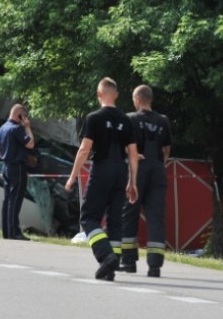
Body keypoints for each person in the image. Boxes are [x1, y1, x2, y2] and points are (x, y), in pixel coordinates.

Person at [65, 77, 139, 281]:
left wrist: (72, 177)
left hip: (102, 168)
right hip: (121, 171)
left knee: (88, 217)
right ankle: (111, 266)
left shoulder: (94, 118)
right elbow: (133, 154)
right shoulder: (126, 120)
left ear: (99, 94)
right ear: (115, 94)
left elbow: (84, 150)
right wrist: (132, 182)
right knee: (115, 220)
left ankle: (105, 255)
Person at [120, 85, 172, 278]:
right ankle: (155, 266)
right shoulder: (163, 121)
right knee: (156, 217)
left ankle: (128, 261)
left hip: (137, 168)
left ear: (139, 100)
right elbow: (167, 151)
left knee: (129, 213)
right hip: (157, 170)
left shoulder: (130, 119)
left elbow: (124, 146)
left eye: (134, 99)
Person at [0, 104, 35, 241]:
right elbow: (30, 144)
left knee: (7, 199)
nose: (25, 119)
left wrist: (5, 157)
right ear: (19, 115)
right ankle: (14, 232)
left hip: (6, 166)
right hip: (17, 167)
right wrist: (27, 127)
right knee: (15, 200)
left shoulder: (3, 128)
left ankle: (7, 231)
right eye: (24, 116)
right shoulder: (17, 128)